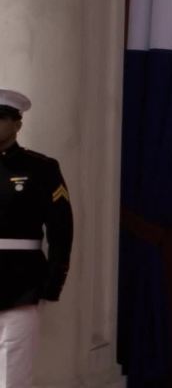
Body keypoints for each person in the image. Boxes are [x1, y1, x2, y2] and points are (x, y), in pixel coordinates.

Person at [0, 88, 73, 387]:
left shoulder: (41, 168)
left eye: (1, 118)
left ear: (17, 124)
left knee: (13, 374)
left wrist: (54, 281)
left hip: (21, 283)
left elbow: (61, 229)